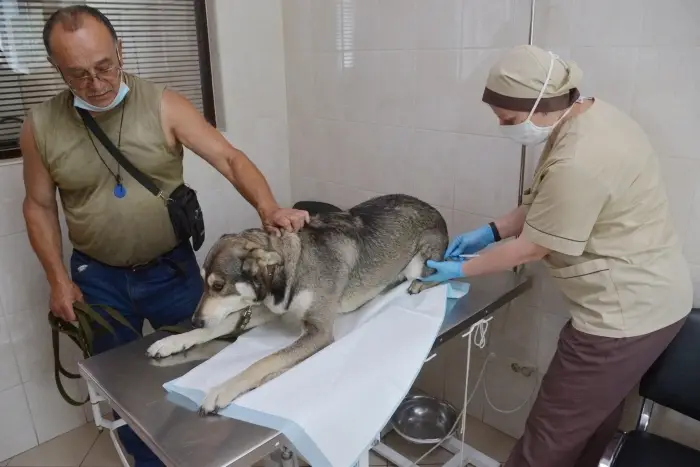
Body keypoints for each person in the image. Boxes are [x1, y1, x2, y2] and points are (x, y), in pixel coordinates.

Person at [20, 5, 308, 467]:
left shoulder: (164, 105)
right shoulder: (40, 128)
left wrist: (268, 206)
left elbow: (230, 159)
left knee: (212, 361)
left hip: (171, 271)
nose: (96, 83)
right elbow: (37, 206)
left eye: (104, 66)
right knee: (127, 391)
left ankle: (216, 454)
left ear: (120, 49)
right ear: (58, 70)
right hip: (98, 282)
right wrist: (57, 278)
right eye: (77, 75)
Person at [421, 45, 693, 467]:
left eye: (507, 120)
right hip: (653, 299)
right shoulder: (587, 118)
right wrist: (491, 231)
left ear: (541, 107)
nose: (501, 125)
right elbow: (549, 204)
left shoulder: (582, 158)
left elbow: (534, 245)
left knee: (549, 435)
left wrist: (460, 269)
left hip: (624, 315)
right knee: (589, 425)